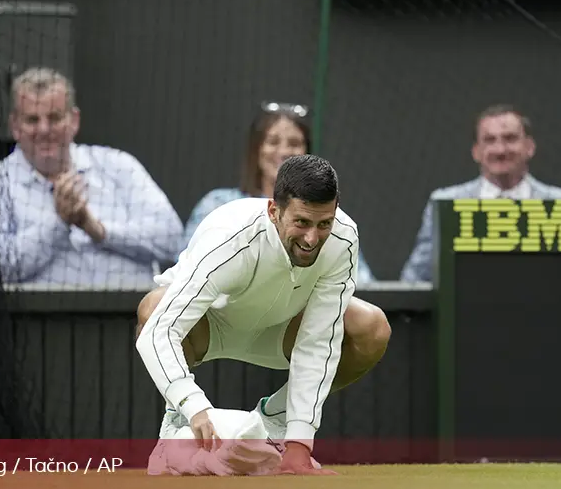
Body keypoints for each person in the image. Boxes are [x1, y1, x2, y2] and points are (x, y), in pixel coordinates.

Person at [135, 154, 391, 476]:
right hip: (208, 328)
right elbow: (159, 331)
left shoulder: (342, 239)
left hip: (279, 332)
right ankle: (176, 425)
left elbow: (318, 341)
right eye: (302, 222)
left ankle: (275, 423)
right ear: (274, 211)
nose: (312, 238)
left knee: (371, 327)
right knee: (154, 308)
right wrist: (194, 407)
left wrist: (299, 445)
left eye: (323, 224)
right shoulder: (228, 235)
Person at [0, 67, 183, 287]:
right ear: (14, 126)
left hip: (135, 314)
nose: (43, 129)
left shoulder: (118, 165)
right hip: (39, 319)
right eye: (32, 120)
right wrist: (58, 223)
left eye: (54, 118)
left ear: (74, 120)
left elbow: (172, 238)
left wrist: (98, 230)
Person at [180, 102, 376, 284]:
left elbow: (359, 278)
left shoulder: (322, 214)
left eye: (294, 143)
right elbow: (189, 266)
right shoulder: (218, 204)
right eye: (273, 141)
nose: (283, 151)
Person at [400, 104, 561, 283]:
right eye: (489, 140)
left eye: (510, 138)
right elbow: (415, 279)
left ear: (530, 147)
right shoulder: (445, 205)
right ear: (476, 151)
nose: (500, 150)